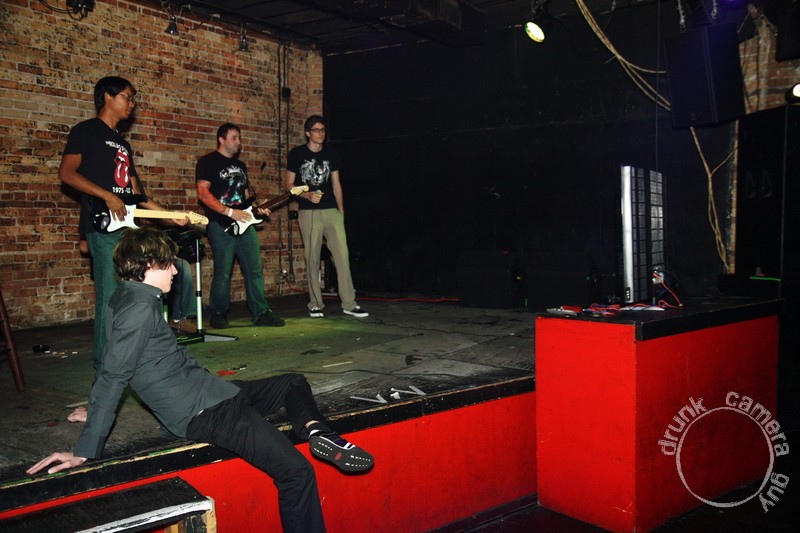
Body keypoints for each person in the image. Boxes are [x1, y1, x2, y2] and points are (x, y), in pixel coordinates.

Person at [26, 227, 374, 533]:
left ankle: (317, 431)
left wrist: (94, 407)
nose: (176, 270)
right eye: (169, 264)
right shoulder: (139, 308)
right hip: (210, 412)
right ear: (149, 265)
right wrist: (85, 450)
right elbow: (114, 373)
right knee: (297, 473)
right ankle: (318, 435)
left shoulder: (125, 296)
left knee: (292, 382)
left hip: (214, 393)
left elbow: (111, 359)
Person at [58, 76, 196, 373]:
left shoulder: (122, 143)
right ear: (107, 97)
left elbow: (136, 194)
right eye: (127, 97)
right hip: (103, 226)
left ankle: (141, 356)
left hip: (128, 228)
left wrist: (169, 215)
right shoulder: (86, 131)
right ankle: (105, 368)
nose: (132, 104)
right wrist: (107, 196)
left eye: (134, 99)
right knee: (110, 297)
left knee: (140, 292)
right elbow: (67, 174)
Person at [196, 123, 284, 329]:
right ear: (221, 139)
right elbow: (203, 194)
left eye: (239, 138)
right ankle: (218, 313)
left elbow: (244, 198)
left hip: (244, 222)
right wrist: (229, 212)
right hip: (220, 224)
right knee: (223, 271)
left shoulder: (241, 166)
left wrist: (257, 210)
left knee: (254, 268)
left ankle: (261, 312)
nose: (238, 142)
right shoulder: (207, 162)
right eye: (234, 138)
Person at [285, 115, 368, 319]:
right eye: (316, 130)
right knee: (312, 258)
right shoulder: (297, 154)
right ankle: (315, 304)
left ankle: (349, 303)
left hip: (332, 211)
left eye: (322, 130)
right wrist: (306, 195)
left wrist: (341, 211)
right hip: (309, 212)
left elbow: (336, 184)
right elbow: (289, 186)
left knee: (342, 257)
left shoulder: (331, 154)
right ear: (308, 133)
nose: (320, 133)